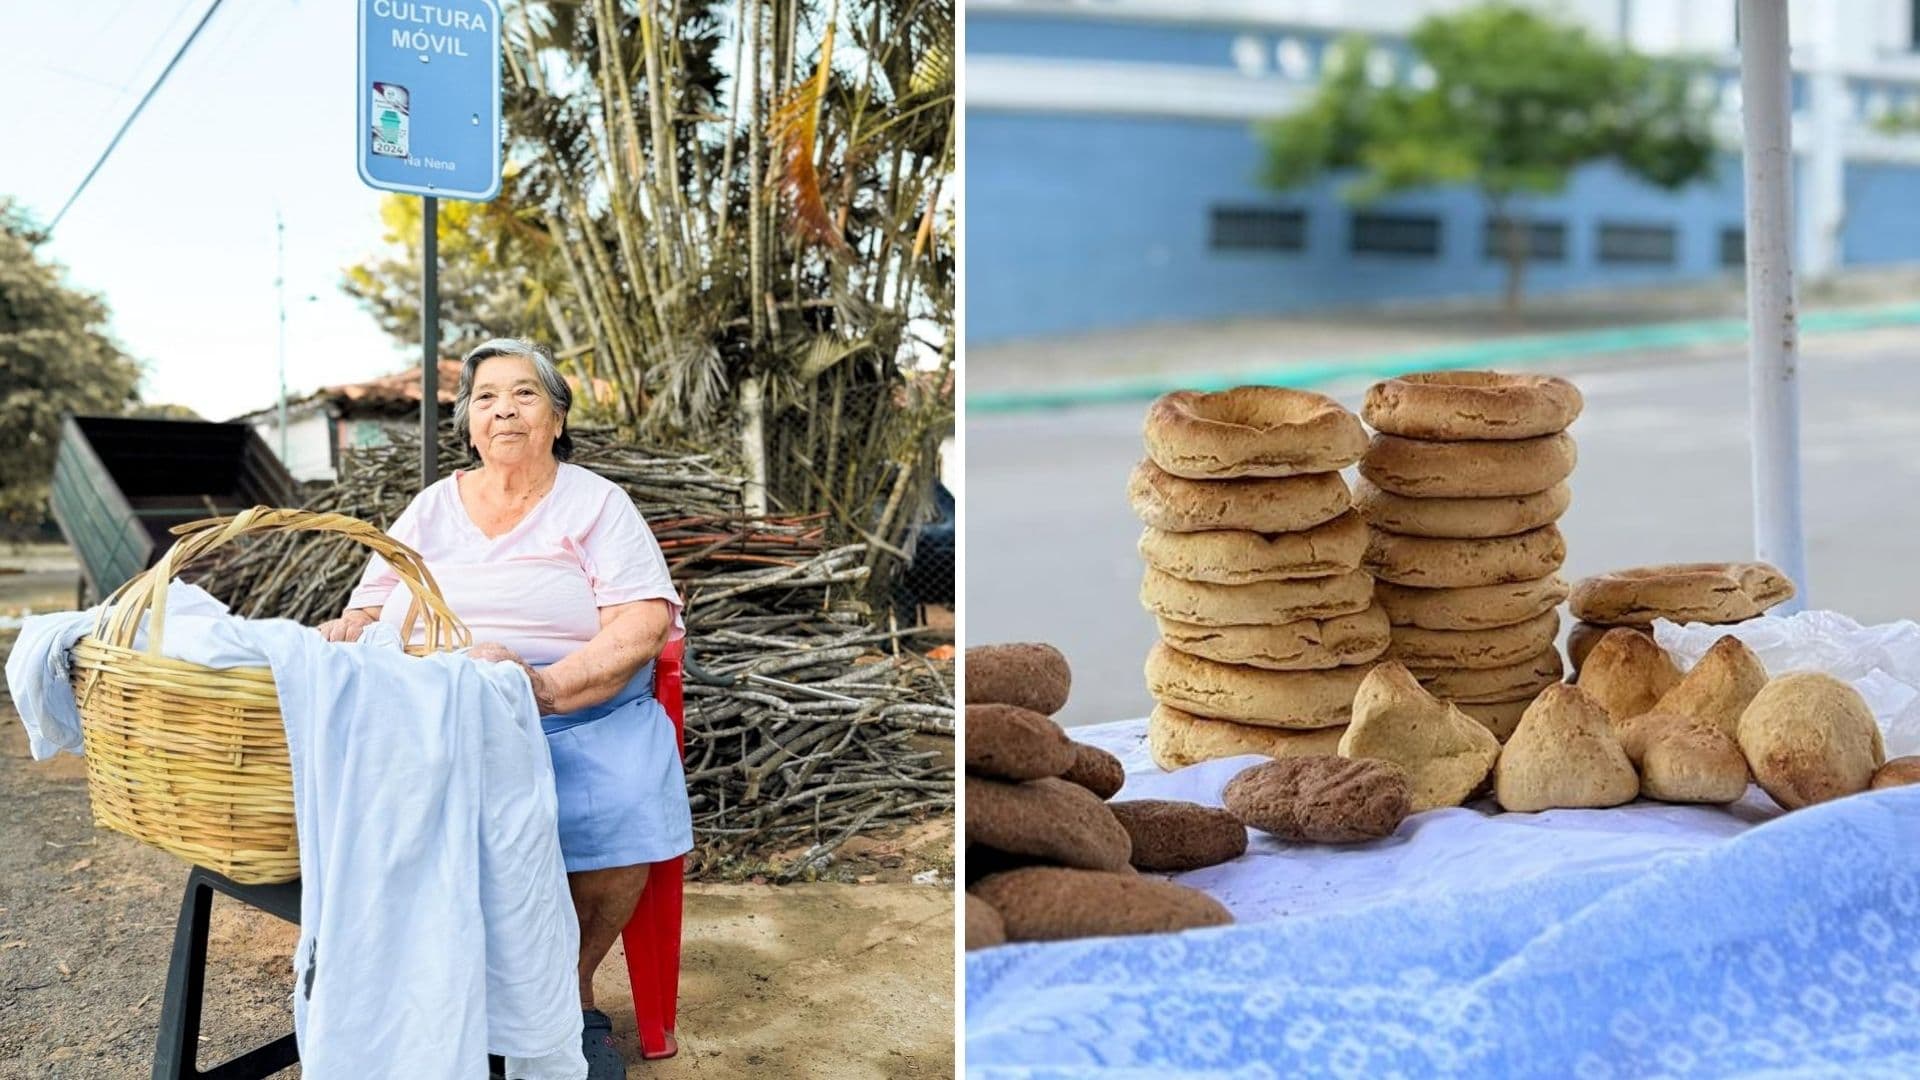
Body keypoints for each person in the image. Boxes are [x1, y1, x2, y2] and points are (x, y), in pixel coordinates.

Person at [318, 337, 690, 1078]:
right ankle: (458, 995)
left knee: (618, 806)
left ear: (556, 417)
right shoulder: (429, 509)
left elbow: (645, 621)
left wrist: (546, 686)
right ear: (468, 424)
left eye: (524, 394)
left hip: (574, 709)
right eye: (486, 397)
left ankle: (569, 993)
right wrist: (347, 634)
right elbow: (365, 609)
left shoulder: (595, 503)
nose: (504, 410)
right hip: (444, 715)